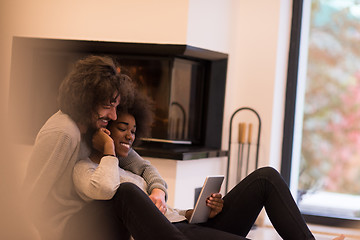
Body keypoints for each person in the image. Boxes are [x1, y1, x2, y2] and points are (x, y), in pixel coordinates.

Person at [72, 88, 346, 240]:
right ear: (104, 130)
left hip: (185, 225)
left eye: (133, 130)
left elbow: (150, 175)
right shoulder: (85, 170)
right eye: (123, 128)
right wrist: (107, 149)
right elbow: (107, 189)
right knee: (127, 191)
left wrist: (196, 211)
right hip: (172, 236)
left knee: (266, 177)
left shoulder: (128, 165)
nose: (131, 135)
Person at [22, 55, 167, 240]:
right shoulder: (63, 133)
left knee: (128, 194)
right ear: (86, 100)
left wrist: (158, 191)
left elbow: (143, 166)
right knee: (125, 194)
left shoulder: (95, 126)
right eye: (108, 106)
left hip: (91, 213)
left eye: (116, 106)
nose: (114, 116)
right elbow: (30, 198)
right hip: (66, 229)